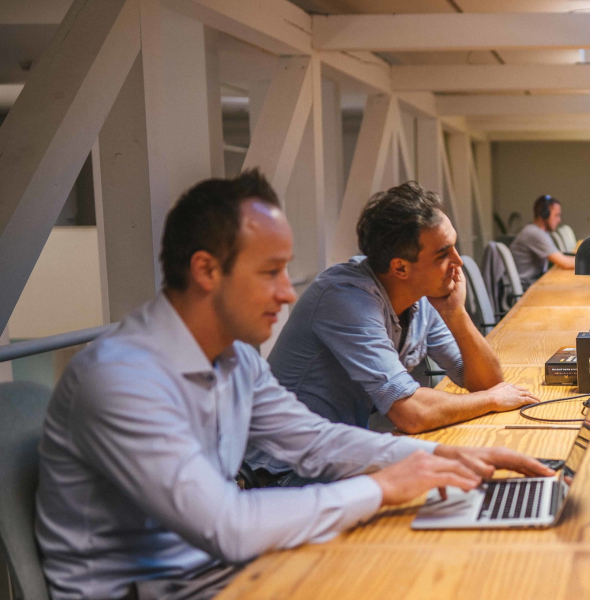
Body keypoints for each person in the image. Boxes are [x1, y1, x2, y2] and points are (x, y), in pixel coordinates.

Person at [34, 171, 553, 600]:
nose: (287, 293)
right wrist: (384, 485)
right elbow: (227, 525)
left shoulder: (236, 359)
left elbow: (315, 440)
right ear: (206, 270)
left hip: (228, 573)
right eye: (271, 272)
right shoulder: (121, 379)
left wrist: (445, 457)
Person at [242, 183, 537, 486]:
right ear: (400, 268)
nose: (458, 261)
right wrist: (490, 399)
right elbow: (413, 413)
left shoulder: (419, 299)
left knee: (467, 485)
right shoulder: (346, 299)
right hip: (285, 473)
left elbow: (487, 381)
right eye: (442, 254)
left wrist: (456, 314)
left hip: (342, 457)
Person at [509, 194, 575, 288]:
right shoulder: (534, 233)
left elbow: (562, 258)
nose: (559, 220)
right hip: (526, 288)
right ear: (544, 214)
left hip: (530, 283)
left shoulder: (537, 231)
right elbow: (565, 263)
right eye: (556, 215)